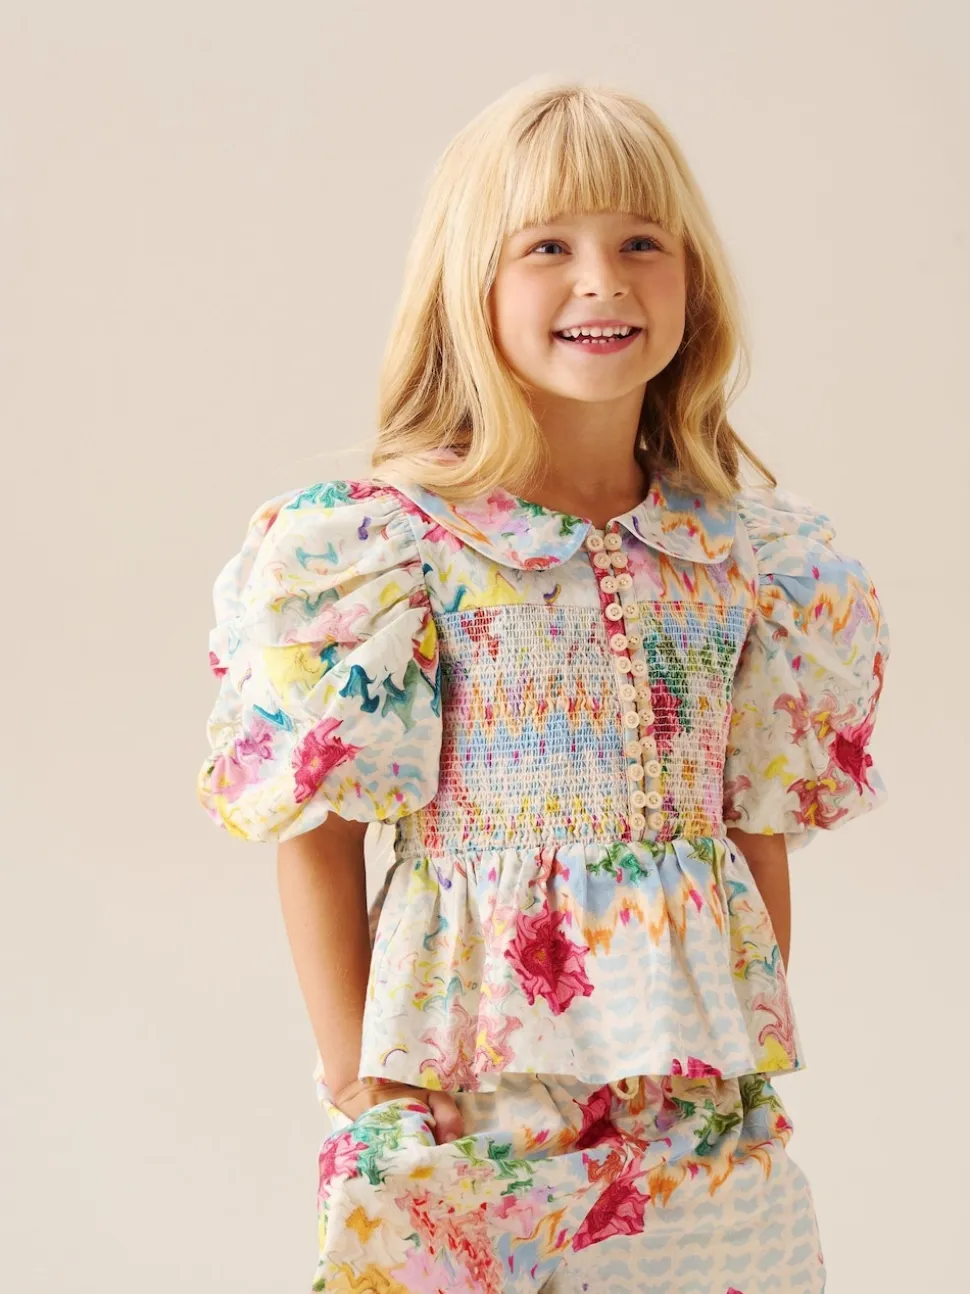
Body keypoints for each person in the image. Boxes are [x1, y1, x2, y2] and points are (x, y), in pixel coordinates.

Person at [196, 78, 889, 1294]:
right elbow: (321, 832)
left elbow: (750, 829)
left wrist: (742, 1052)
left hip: (691, 1119)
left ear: (693, 279)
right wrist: (359, 1081)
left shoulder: (746, 559)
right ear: (469, 285)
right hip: (461, 1104)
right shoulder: (389, 551)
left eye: (641, 243)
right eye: (548, 247)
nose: (602, 281)